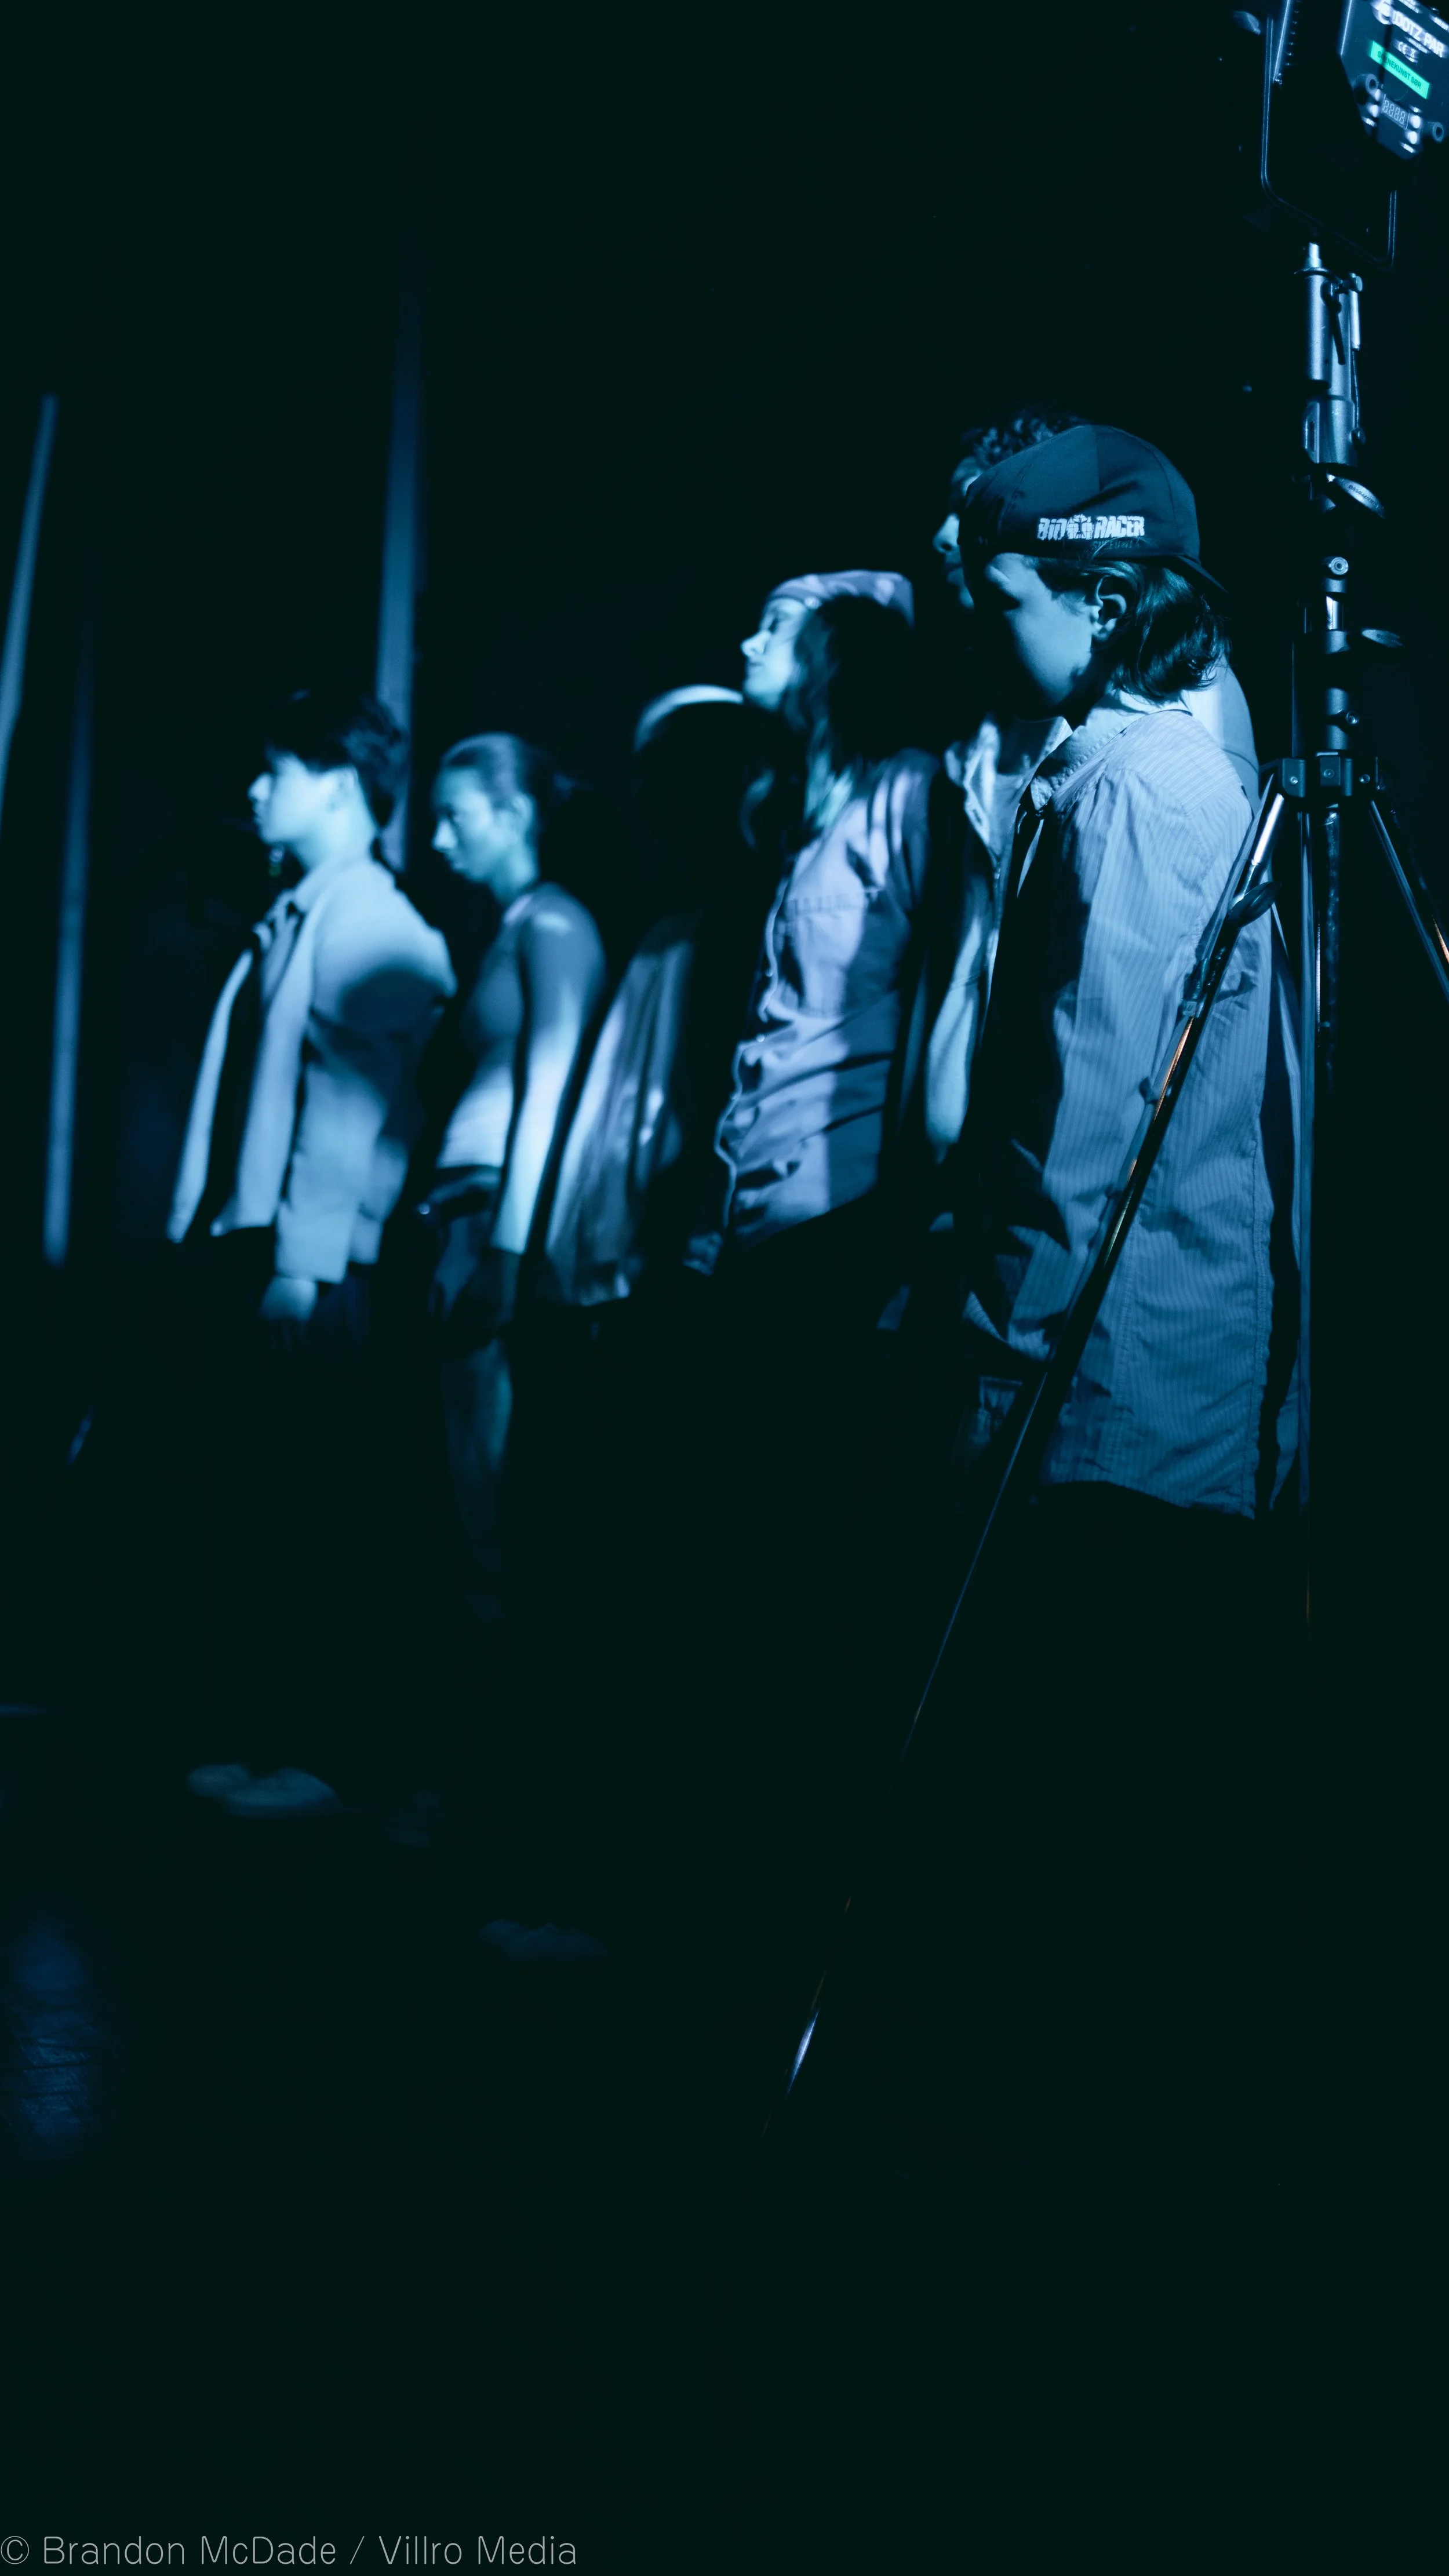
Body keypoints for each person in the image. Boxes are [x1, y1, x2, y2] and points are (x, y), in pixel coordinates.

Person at [917, 424, 1299, 2192]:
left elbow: (1086, 1128)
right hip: (1130, 1379)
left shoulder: (1139, 790)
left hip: (1102, 1388)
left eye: (998, 594)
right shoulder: (1147, 762)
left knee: (1086, 1809)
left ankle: (1072, 2168)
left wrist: (991, 1368)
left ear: (1095, 590)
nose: (979, 625)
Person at [164, 686, 456, 1816]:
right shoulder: (303, 909)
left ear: (336, 786)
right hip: (284, 1252)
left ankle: (323, 1756)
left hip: (323, 1264)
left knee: (316, 1506)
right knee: (270, 1500)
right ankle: (277, 1741)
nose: (254, 790)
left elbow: (350, 1105)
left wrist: (303, 1263)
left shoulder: (365, 916)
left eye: (275, 770)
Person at [420, 733, 606, 1620]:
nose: (439, 840)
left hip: (496, 1210)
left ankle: (486, 1671)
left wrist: (504, 1252)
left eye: (455, 817)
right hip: (468, 1209)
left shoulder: (555, 924)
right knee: (460, 1458)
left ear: (515, 812)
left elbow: (552, 1091)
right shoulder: (518, 925)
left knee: (483, 1466)